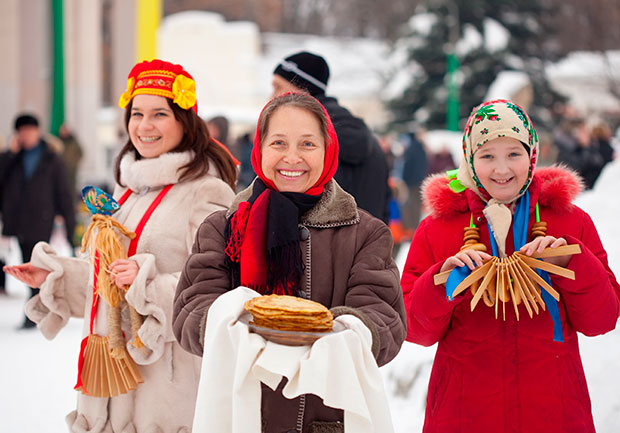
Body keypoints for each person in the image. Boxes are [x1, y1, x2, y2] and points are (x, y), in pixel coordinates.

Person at [4, 59, 237, 432]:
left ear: (184, 120)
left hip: (166, 387)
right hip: (110, 380)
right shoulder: (128, 189)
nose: (144, 126)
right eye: (137, 114)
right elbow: (111, 278)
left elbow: (217, 288)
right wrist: (58, 276)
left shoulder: (206, 191)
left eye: (159, 114)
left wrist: (147, 285)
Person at [173, 92, 406, 433]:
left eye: (308, 144)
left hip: (325, 422)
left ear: (328, 150)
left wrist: (326, 332)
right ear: (260, 149)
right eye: (279, 142)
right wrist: (240, 321)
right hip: (243, 418)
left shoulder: (365, 233)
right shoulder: (223, 228)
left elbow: (384, 322)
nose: (292, 158)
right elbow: (189, 314)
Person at [401, 99, 620, 433]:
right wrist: (443, 279)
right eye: (488, 156)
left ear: (531, 155)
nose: (502, 170)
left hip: (555, 413)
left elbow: (601, 320)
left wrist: (572, 261)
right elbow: (414, 329)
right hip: (463, 415)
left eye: (513, 154)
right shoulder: (439, 228)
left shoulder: (570, 221)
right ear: (470, 160)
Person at [271, 51, 391, 224]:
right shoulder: (372, 143)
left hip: (317, 250)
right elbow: (383, 209)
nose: (272, 96)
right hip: (367, 247)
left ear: (302, 91)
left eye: (278, 87)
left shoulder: (304, 144)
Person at [0, 113, 75, 328]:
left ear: (37, 131)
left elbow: (63, 193)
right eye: (22, 132)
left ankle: (37, 313)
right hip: (19, 222)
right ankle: (38, 311)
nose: (26, 136)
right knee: (29, 267)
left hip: (42, 221)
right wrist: (8, 155)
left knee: (37, 267)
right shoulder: (12, 159)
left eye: (29, 131)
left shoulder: (51, 158)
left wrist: (69, 230)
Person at [58, 123, 84, 200]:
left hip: (71, 171)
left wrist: (74, 163)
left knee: (71, 190)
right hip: (59, 171)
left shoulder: (74, 142)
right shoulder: (58, 142)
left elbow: (80, 153)